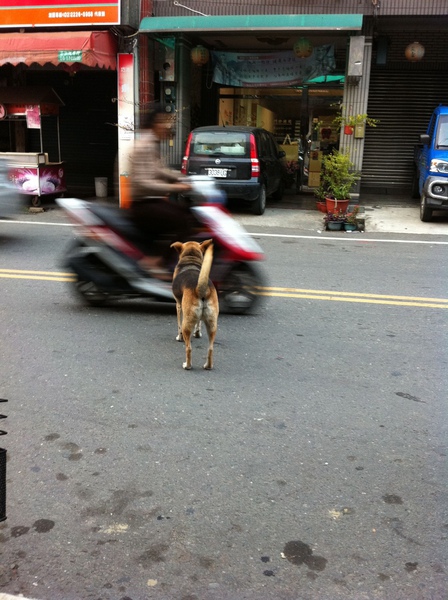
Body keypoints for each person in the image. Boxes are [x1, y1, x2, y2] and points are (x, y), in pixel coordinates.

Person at [129, 105, 192, 279]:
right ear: (155, 123)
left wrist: (183, 178)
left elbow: (158, 170)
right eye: (165, 121)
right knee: (182, 219)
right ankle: (155, 263)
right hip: (143, 205)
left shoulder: (151, 143)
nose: (168, 126)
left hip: (151, 201)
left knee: (186, 212)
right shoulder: (144, 145)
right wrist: (175, 187)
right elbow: (142, 182)